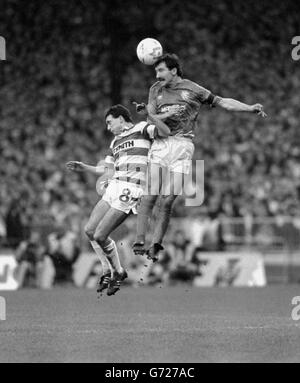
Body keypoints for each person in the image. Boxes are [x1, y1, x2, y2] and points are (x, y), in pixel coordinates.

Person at [133, 53, 267, 262]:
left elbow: (223, 102)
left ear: (174, 70)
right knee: (150, 195)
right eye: (155, 71)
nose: (157, 75)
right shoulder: (155, 90)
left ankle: (156, 245)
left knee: (168, 200)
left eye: (160, 70)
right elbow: (152, 116)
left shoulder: (194, 89)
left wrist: (249, 108)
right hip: (160, 144)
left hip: (183, 146)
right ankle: (139, 240)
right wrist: (152, 114)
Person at [66, 104, 178, 296]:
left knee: (101, 235)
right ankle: (110, 271)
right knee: (89, 230)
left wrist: (156, 114)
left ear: (120, 118)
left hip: (131, 187)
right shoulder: (114, 142)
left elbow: (163, 132)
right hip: (114, 185)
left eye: (109, 122)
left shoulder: (141, 128)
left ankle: (118, 271)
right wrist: (85, 167)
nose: (108, 127)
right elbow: (108, 169)